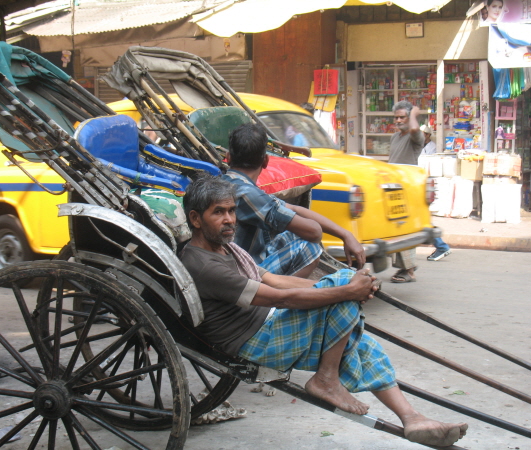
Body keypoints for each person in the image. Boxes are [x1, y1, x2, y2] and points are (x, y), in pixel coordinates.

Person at [180, 175, 469, 447]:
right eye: (219, 212)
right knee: (344, 287)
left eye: (231, 211)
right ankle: (326, 379)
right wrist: (343, 289)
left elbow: (274, 279)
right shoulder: (203, 264)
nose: (229, 219)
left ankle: (412, 418)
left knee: (355, 338)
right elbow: (279, 298)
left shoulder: (225, 248)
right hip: (252, 342)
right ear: (195, 218)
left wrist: (326, 286)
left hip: (266, 327)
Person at [223, 123, 366, 278]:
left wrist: (345, 234)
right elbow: (314, 232)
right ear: (265, 161)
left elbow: (295, 210)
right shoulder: (247, 193)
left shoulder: (232, 183)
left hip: (242, 262)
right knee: (309, 247)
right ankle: (276, 300)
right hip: (244, 273)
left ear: (228, 157)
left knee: (296, 234)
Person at [388, 101, 423, 282]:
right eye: (396, 117)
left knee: (404, 229)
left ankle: (408, 270)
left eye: (403, 117)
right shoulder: (395, 137)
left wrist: (414, 115)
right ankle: (405, 268)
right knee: (395, 228)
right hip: (392, 188)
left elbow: (416, 130)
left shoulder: (414, 136)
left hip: (408, 188)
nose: (399, 120)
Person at [419, 125, 452, 262]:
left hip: (417, 182)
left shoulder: (424, 146)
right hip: (413, 181)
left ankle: (441, 245)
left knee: (420, 220)